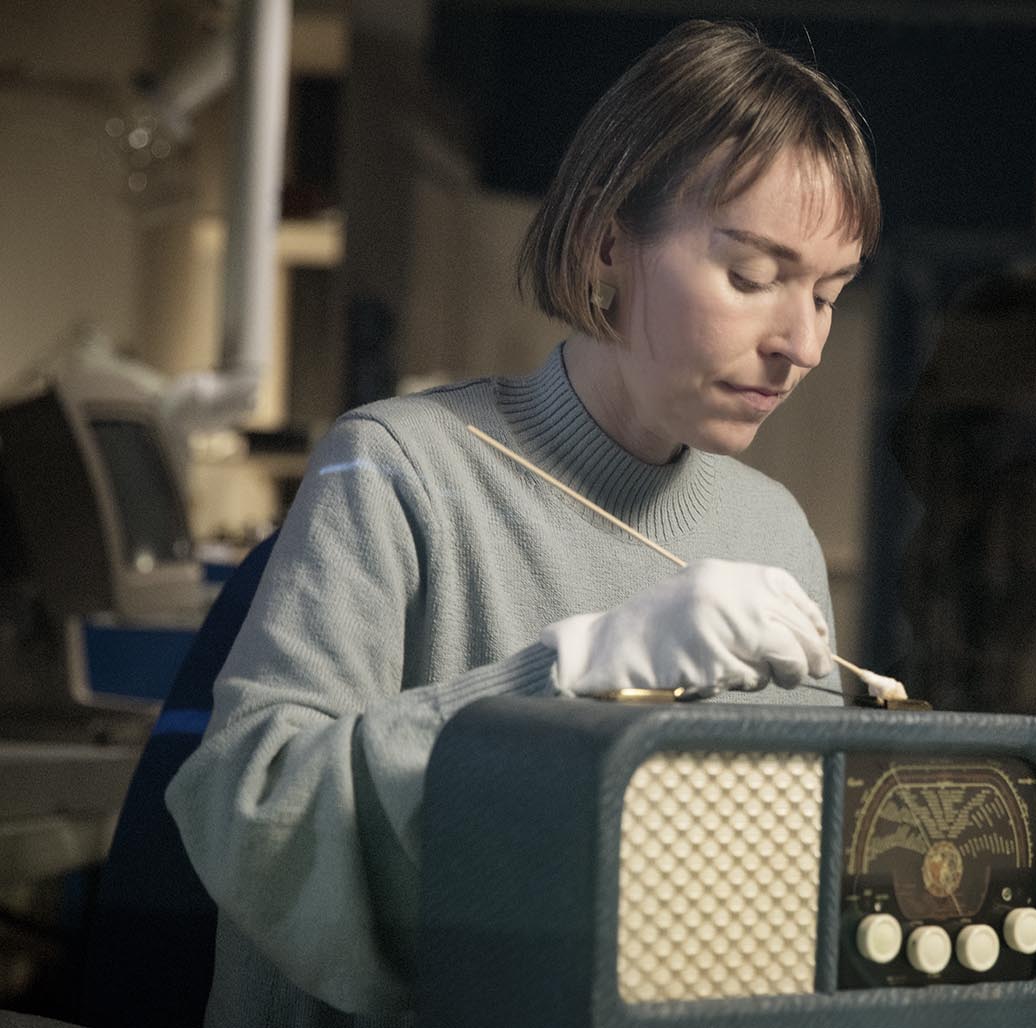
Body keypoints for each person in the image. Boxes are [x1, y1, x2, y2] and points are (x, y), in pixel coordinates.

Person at [164, 18, 881, 1027]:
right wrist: (575, 671)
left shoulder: (775, 534)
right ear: (605, 242)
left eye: (829, 293)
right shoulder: (397, 467)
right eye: (753, 277)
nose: (799, 341)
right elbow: (255, 805)